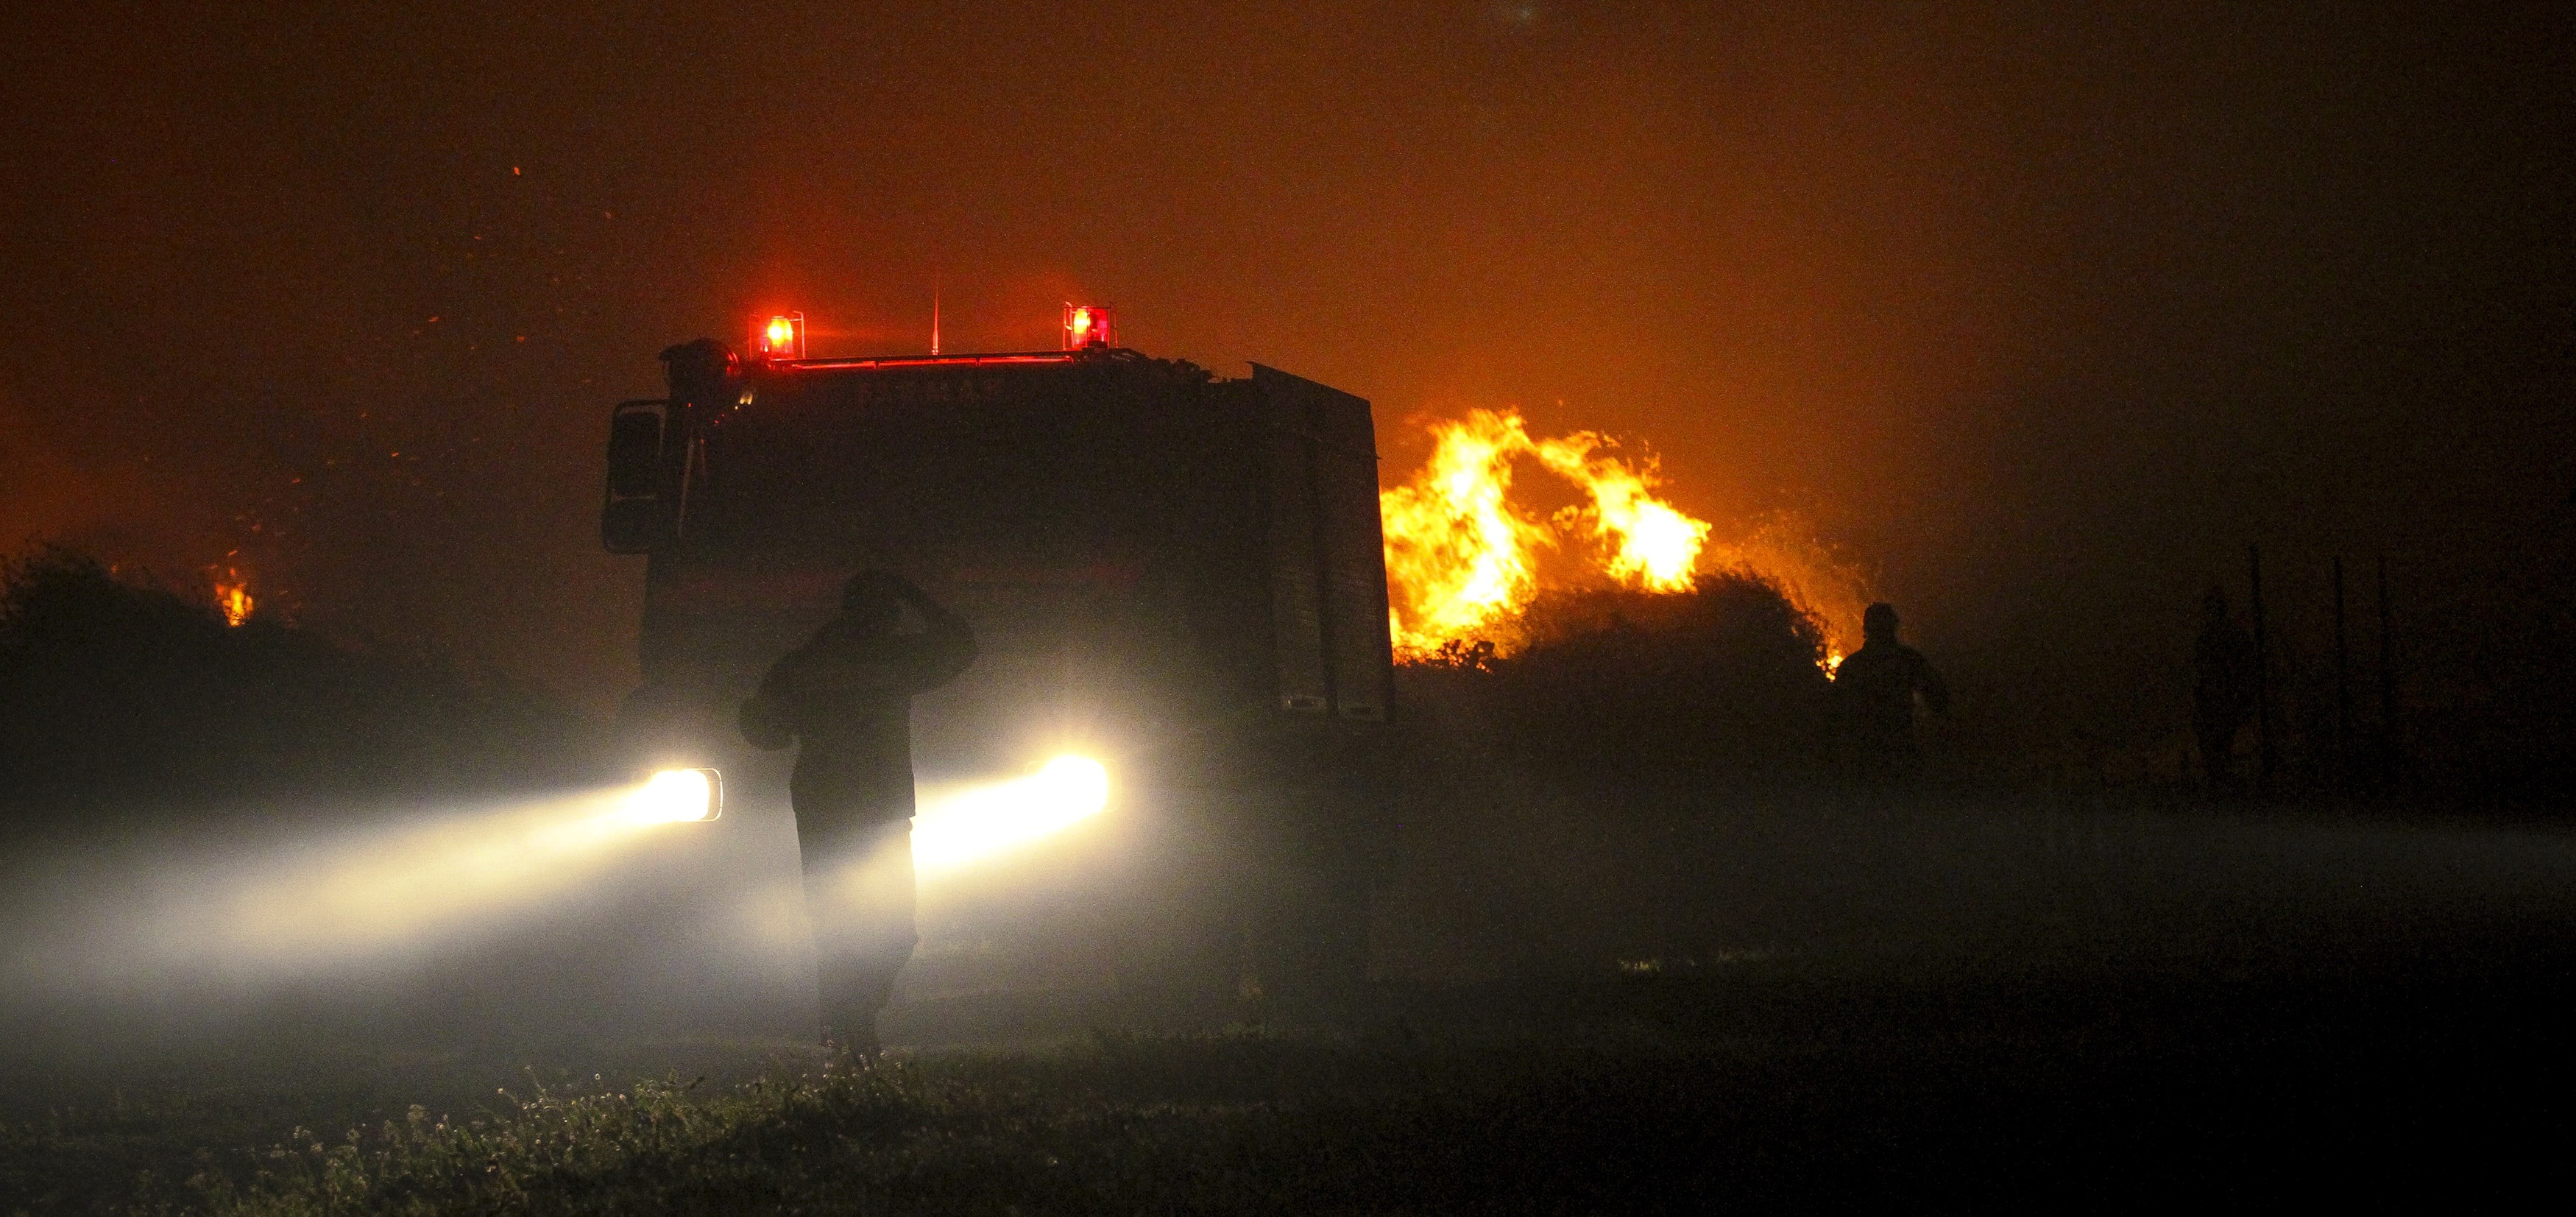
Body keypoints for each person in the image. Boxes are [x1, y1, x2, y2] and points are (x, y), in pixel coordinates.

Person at [740, 570, 976, 1055]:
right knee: (894, 931)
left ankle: (846, 1024)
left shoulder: (805, 663)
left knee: (836, 925)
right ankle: (854, 1025)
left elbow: (763, 728)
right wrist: (916, 591)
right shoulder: (893, 661)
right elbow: (961, 645)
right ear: (885, 614)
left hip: (825, 807)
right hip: (881, 810)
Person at [1828, 602, 1950, 781]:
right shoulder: (1909, 660)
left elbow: (1836, 714)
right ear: (1894, 625)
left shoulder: (1851, 666)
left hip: (1863, 758)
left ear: (1866, 628)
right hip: (1901, 751)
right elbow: (1939, 700)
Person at [2191, 585, 2258, 794]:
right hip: (2215, 699)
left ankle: (2221, 783)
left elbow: (2244, 667)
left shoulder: (2230, 637)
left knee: (2220, 743)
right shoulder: (2209, 639)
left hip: (2225, 698)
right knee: (2214, 744)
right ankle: (2219, 783)